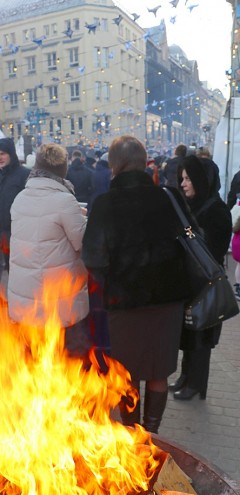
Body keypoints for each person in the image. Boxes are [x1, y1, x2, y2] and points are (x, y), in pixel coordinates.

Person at [82, 135, 194, 434]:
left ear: (114, 166)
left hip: (124, 304)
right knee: (158, 371)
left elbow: (93, 258)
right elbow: (192, 239)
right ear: (145, 163)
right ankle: (152, 433)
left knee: (125, 373)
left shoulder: (105, 204)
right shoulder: (168, 197)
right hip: (168, 302)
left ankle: (132, 434)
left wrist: (114, 280)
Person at [8, 143, 90, 359]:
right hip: (59, 299)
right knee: (67, 363)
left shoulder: (20, 199)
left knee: (35, 363)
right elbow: (83, 242)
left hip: (25, 300)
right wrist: (83, 218)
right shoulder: (65, 201)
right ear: (63, 170)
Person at [170, 155, 232, 401]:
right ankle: (186, 377)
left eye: (188, 179)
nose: (183, 184)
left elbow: (213, 251)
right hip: (191, 282)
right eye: (182, 178)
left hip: (206, 285)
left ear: (201, 180)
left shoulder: (217, 210)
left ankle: (197, 383)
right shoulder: (193, 206)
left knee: (201, 338)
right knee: (189, 334)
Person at [0, 138, 30, 274]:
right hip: (3, 234)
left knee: (23, 272)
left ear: (11, 154)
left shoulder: (24, 174)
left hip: (21, 235)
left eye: (2, 154)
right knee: (9, 271)